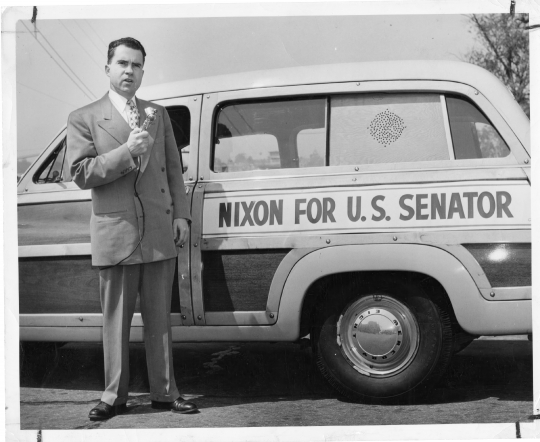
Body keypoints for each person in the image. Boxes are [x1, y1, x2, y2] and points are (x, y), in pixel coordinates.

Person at [67, 37, 197, 420]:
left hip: (159, 230)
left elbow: (174, 169)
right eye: (122, 63)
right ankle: (113, 397)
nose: (129, 71)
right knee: (115, 322)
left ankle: (166, 391)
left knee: (160, 321)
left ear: (143, 71)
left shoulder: (158, 114)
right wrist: (128, 152)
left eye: (136, 65)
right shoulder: (84, 117)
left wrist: (181, 215)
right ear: (107, 68)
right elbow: (80, 173)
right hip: (117, 232)